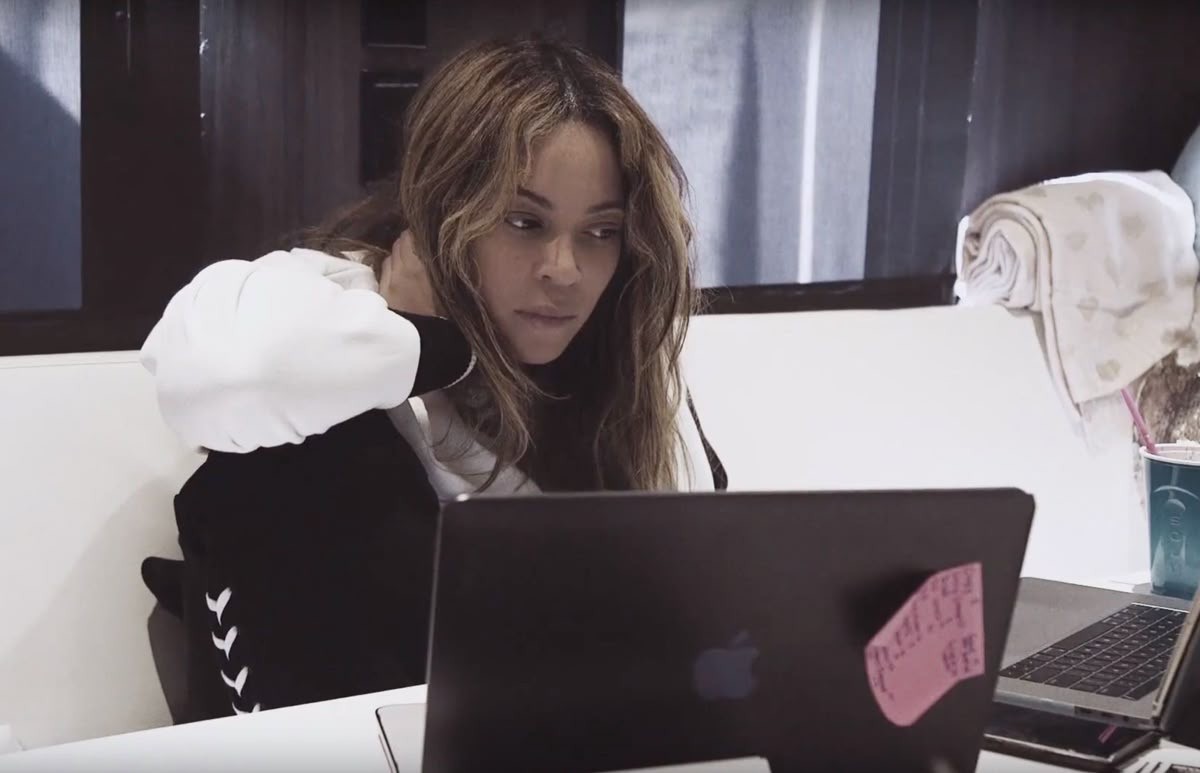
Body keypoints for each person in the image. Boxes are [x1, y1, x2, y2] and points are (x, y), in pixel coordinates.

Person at [140, 37, 727, 721]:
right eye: (523, 221)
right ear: (447, 208)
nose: (565, 269)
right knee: (290, 465)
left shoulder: (619, 353)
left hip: (552, 730)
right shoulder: (335, 295)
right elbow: (226, 381)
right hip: (347, 727)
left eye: (601, 231)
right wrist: (433, 343)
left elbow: (691, 580)